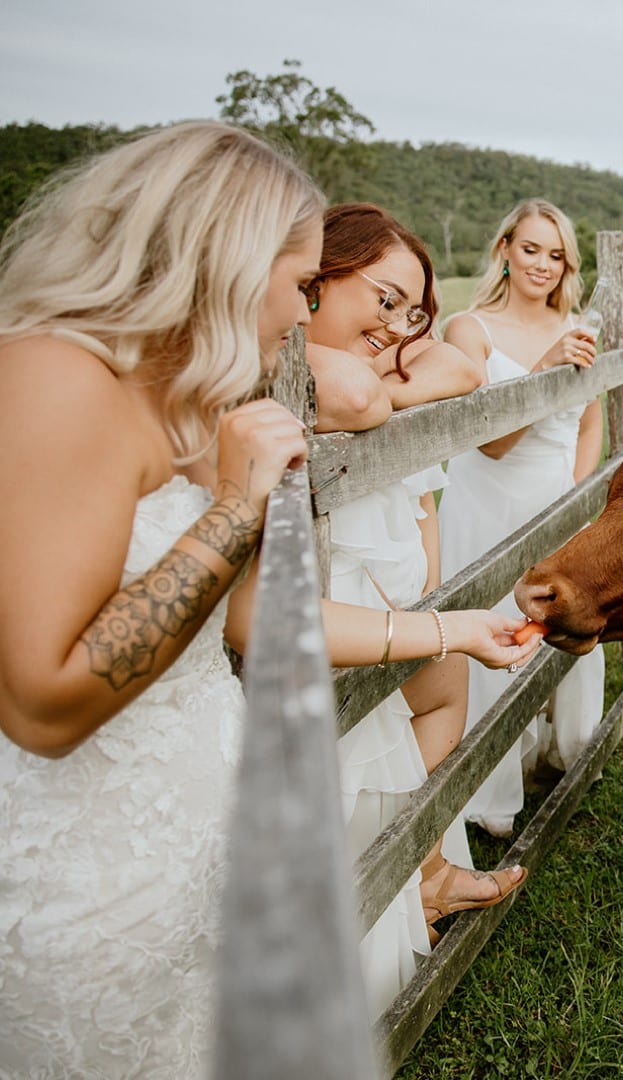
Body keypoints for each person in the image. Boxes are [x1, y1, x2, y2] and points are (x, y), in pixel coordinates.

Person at [0, 121, 324, 1077]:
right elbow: (41, 704)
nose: (305, 316)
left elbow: (234, 619)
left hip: (186, 861)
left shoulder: (186, 399)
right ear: (231, 259)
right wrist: (235, 507)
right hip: (85, 887)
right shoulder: (55, 379)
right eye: (301, 284)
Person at [225, 202, 528, 1016]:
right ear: (315, 280)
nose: (398, 326)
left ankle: (416, 877)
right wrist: (394, 378)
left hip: (372, 614)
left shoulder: (349, 360)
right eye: (384, 298)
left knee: (431, 713)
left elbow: (460, 374)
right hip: (294, 644)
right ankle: (396, 897)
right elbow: (357, 392)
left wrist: (400, 365)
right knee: (361, 771)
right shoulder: (265, 362)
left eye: (412, 311)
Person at [439, 199, 605, 837]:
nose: (542, 264)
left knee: (567, 626)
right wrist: (542, 369)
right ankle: (490, 791)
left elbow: (589, 418)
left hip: (555, 500)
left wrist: (576, 492)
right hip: (489, 503)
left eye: (555, 254)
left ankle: (568, 751)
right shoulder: (469, 329)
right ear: (504, 248)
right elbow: (491, 442)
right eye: (530, 249)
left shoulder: (580, 324)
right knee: (495, 637)